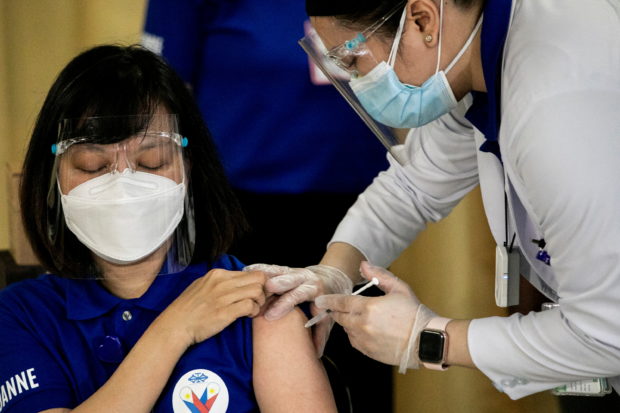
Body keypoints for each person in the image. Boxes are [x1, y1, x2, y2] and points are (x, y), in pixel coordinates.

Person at [249, 0, 620, 403]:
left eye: (352, 59)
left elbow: (606, 331)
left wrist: (431, 338)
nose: (355, 80)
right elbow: (413, 186)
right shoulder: (475, 56)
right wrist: (330, 273)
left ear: (422, 19)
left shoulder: (558, 109)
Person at [0, 44, 337, 413]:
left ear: (188, 168)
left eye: (151, 161)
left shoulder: (255, 304)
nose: (123, 185)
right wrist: (175, 328)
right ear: (54, 178)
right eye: (92, 165)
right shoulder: (21, 315)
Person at [141, 2, 393, 412]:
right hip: (239, 208)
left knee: (361, 361)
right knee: (242, 364)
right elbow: (158, 94)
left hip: (364, 204)